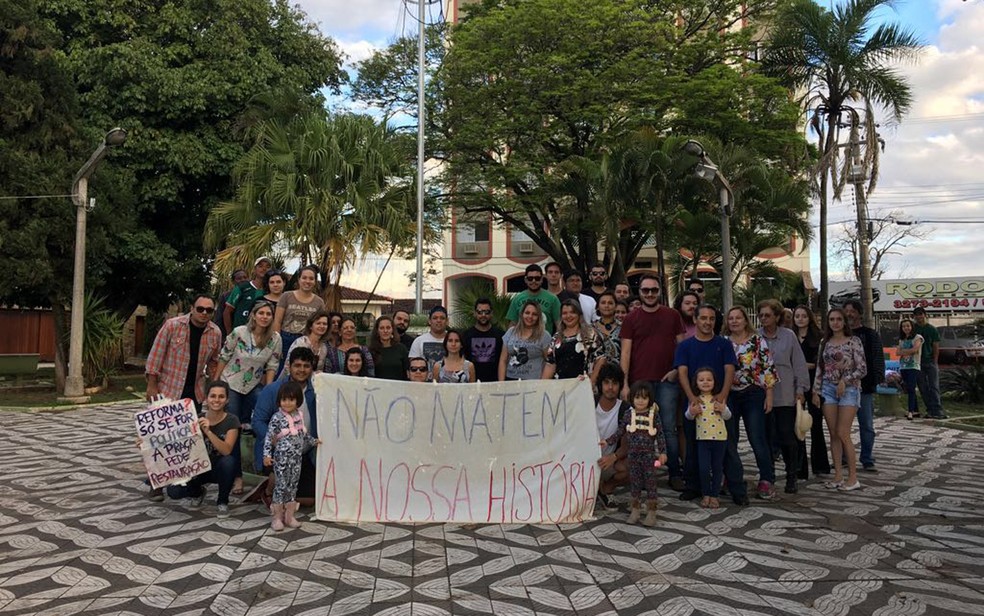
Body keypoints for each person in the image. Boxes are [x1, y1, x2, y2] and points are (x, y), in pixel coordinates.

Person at [675, 305, 748, 506]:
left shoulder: (723, 345)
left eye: (712, 318)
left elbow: (730, 369)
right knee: (693, 446)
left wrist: (723, 395)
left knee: (728, 446)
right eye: (704, 318)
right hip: (695, 404)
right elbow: (682, 372)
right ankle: (694, 486)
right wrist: (691, 397)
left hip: (719, 404)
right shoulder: (685, 346)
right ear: (695, 320)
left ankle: (736, 488)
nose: (708, 322)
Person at [619, 274, 686, 489]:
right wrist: (625, 384)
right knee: (638, 430)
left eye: (653, 290)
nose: (649, 294)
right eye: (645, 290)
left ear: (660, 291)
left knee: (668, 428)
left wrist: (676, 371)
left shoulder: (673, 315)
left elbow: (681, 347)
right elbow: (626, 352)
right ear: (639, 292)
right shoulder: (631, 318)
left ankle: (674, 473)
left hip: (667, 381)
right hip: (640, 383)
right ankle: (640, 474)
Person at [214, 300, 281, 495]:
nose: (265, 317)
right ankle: (237, 477)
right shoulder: (239, 332)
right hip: (231, 382)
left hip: (254, 384)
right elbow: (224, 355)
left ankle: (266, 468)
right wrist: (217, 382)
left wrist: (269, 391)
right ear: (254, 314)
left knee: (268, 417)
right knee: (232, 427)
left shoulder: (275, 338)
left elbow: (272, 365)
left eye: (268, 314)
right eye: (261, 313)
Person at [251, 347, 318, 506]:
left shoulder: (316, 390)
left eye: (306, 366)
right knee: (284, 489)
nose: (301, 370)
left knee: (310, 501)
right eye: (297, 365)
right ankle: (268, 490)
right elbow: (258, 421)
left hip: (303, 452)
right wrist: (273, 439)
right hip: (277, 452)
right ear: (289, 366)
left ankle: (276, 491)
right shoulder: (273, 389)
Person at [725, 306, 779, 499]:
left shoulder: (757, 341)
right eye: (730, 318)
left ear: (745, 320)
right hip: (729, 395)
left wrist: (769, 395)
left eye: (738, 318)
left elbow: (768, 368)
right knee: (729, 438)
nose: (734, 321)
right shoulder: (723, 342)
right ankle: (730, 477)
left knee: (757, 438)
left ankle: (766, 479)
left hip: (753, 393)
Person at [757, 299, 810, 494]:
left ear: (777, 317)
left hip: (786, 393)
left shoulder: (788, 336)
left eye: (768, 315)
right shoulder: (756, 337)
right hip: (762, 395)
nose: (764, 318)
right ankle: (767, 476)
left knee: (787, 436)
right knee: (766, 437)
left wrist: (800, 389)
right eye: (761, 315)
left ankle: (791, 474)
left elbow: (799, 363)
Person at [165, 381, 239, 517]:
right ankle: (197, 492)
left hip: (218, 468)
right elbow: (175, 442)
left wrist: (208, 432)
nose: (216, 400)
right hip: (197, 468)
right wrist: (147, 443)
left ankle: (222, 501)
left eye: (221, 396)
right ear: (206, 398)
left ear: (227, 400)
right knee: (173, 492)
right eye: (213, 396)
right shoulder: (194, 418)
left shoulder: (232, 420)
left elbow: (226, 450)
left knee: (229, 461)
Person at [812, 308, 867, 492]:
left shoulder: (854, 342)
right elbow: (821, 368)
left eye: (838, 319)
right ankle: (838, 475)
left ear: (844, 321)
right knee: (833, 433)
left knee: (843, 432)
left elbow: (862, 368)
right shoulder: (825, 343)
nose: (835, 322)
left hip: (849, 389)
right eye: (832, 319)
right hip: (828, 388)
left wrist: (846, 380)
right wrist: (816, 390)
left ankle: (853, 477)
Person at [602, 381, 667, 526]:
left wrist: (662, 452)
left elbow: (660, 434)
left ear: (650, 399)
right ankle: (635, 510)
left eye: (644, 398)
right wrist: (607, 441)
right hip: (633, 456)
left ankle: (651, 512)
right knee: (635, 483)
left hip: (649, 456)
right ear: (632, 398)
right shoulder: (628, 414)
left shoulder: (654, 415)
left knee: (650, 484)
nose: (641, 401)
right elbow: (619, 432)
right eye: (637, 397)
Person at [262, 381, 321, 531]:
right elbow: (269, 437)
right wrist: (267, 455)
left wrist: (314, 441)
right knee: (281, 486)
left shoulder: (299, 416)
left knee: (292, 487)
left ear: (297, 401)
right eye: (284, 399)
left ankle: (289, 516)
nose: (287, 403)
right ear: (279, 401)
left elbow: (303, 434)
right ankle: (276, 518)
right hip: (281, 458)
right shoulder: (276, 418)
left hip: (296, 458)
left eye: (291, 399)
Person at [145, 294, 223, 406]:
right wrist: (152, 386)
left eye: (209, 310)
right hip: (168, 391)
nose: (204, 313)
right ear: (192, 309)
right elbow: (156, 357)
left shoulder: (215, 332)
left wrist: (216, 387)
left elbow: (214, 362)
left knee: (194, 424)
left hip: (196, 393)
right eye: (200, 309)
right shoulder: (172, 326)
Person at [842, 299, 885, 471]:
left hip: (864, 387)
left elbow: (877, 357)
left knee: (866, 425)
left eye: (852, 311)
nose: (849, 314)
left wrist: (877, 378)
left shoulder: (870, 334)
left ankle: (867, 458)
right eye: (846, 311)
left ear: (859, 313)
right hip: (843, 387)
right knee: (843, 426)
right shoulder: (838, 334)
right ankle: (843, 458)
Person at [685, 367, 733, 509]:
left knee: (717, 468)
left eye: (709, 379)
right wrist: (692, 412)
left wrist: (723, 409)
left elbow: (728, 416)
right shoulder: (695, 399)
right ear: (696, 383)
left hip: (720, 439)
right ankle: (706, 493)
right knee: (704, 468)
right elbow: (688, 416)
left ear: (714, 382)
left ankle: (715, 495)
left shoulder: (719, 398)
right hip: (703, 439)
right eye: (701, 380)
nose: (705, 382)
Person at [793, 305, 830, 477]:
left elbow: (820, 363)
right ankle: (800, 468)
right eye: (797, 316)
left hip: (815, 384)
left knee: (816, 425)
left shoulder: (819, 338)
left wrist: (804, 365)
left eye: (803, 316)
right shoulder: (790, 336)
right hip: (796, 385)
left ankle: (820, 465)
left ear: (809, 318)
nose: (800, 319)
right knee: (797, 426)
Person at [273, 265, 325, 367]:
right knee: (283, 370)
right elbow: (277, 321)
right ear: (299, 279)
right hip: (285, 339)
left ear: (315, 281)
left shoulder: (319, 302)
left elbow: (320, 324)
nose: (307, 281)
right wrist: (277, 344)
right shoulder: (286, 296)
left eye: (311, 278)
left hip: (306, 340)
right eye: (304, 278)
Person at [595, 364, 630, 510]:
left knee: (635, 466)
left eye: (615, 383)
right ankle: (592, 490)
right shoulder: (588, 402)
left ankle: (606, 489)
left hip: (609, 462)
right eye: (606, 382)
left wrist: (613, 457)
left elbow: (626, 444)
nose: (610, 387)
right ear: (600, 384)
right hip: (584, 462)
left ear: (620, 385)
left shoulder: (625, 409)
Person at [499, 300, 555, 381]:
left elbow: (550, 363)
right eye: (527, 313)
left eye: (534, 314)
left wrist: (543, 383)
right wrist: (501, 384)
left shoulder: (544, 335)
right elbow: (503, 360)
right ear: (522, 314)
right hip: (510, 380)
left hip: (533, 382)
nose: (530, 316)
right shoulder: (511, 332)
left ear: (538, 317)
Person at [549, 300, 602, 382]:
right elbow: (550, 364)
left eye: (572, 312)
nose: (568, 316)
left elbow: (601, 359)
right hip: (560, 387)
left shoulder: (590, 334)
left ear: (579, 314)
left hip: (584, 385)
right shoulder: (556, 337)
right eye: (564, 313)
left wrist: (592, 382)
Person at [507, 264, 562, 334]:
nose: (533, 281)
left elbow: (559, 324)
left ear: (542, 279)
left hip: (545, 342)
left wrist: (557, 341)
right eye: (530, 278)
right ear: (525, 280)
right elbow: (512, 324)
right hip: (522, 343)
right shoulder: (517, 299)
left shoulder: (553, 299)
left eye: (537, 278)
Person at [912, 307, 946, 419]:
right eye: (916, 315)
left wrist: (935, 361)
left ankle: (937, 410)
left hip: (930, 361)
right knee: (922, 387)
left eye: (920, 314)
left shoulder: (932, 329)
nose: (919, 317)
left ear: (925, 315)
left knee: (934, 386)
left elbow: (936, 346)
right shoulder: (913, 329)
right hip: (917, 362)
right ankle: (930, 409)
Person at [461, 298, 505, 382]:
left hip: (495, 383)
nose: (483, 315)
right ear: (474, 313)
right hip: (472, 383)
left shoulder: (501, 335)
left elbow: (504, 360)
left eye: (487, 312)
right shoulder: (466, 335)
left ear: (491, 313)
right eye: (480, 312)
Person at [224, 257, 272, 332]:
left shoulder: (270, 291)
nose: (264, 269)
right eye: (260, 266)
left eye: (268, 267)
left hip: (260, 336)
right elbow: (227, 311)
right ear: (254, 269)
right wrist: (229, 333)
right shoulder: (242, 287)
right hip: (240, 335)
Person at [282, 310, 333, 376]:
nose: (322, 326)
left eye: (324, 324)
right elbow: (288, 367)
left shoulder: (324, 348)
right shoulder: (300, 343)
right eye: (318, 323)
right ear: (310, 326)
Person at [897, 318, 924, 421]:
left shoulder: (918, 337)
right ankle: (915, 410)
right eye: (904, 326)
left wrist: (904, 351)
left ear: (912, 327)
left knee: (912, 388)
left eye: (908, 326)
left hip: (914, 365)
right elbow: (897, 352)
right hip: (904, 366)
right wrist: (907, 351)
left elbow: (915, 350)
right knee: (908, 388)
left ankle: (910, 411)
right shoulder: (902, 339)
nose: (906, 328)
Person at [369, 315, 409, 381]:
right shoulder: (371, 350)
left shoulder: (401, 349)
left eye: (388, 328)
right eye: (382, 328)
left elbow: (407, 372)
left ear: (392, 330)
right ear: (377, 331)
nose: (385, 331)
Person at [214, 270, 248, 338]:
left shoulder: (253, 294)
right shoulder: (226, 296)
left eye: (245, 277)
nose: (243, 280)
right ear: (233, 281)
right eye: (239, 278)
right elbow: (219, 318)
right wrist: (228, 335)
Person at [593, 292, 622, 369]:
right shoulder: (591, 329)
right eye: (603, 303)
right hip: (595, 374)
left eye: (610, 303)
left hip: (618, 372)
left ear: (615, 306)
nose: (606, 306)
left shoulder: (623, 327)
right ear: (598, 307)